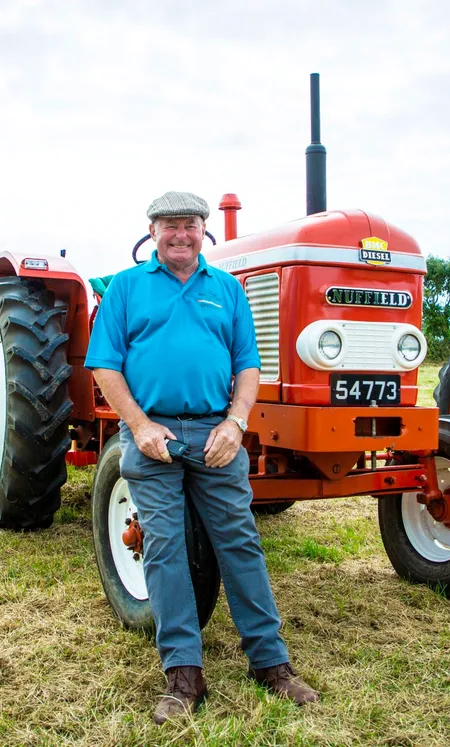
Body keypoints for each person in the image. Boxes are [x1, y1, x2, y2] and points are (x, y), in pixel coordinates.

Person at [85, 191, 318, 724]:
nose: (180, 234)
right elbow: (105, 366)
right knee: (164, 548)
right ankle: (184, 674)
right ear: (152, 231)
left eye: (189, 224)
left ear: (203, 229)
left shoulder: (227, 290)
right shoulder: (126, 289)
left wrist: (236, 423)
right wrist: (140, 427)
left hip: (217, 435)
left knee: (239, 541)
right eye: (169, 225)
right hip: (154, 438)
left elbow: (249, 366)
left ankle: (271, 664)